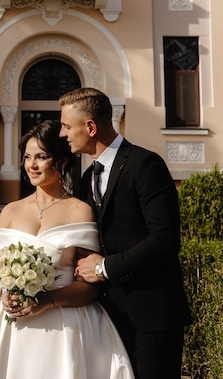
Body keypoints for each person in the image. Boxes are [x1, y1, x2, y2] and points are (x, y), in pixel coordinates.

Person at [0, 119, 135, 379]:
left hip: (68, 328)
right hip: (14, 329)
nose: (32, 165)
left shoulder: (79, 211)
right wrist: (4, 293)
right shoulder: (10, 211)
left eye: (41, 157)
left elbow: (92, 283)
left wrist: (46, 301)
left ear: (62, 161)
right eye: (28, 157)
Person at [59, 87, 192, 379]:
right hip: (107, 315)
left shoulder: (145, 165)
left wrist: (104, 267)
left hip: (152, 315)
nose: (62, 133)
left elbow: (164, 239)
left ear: (90, 127)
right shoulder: (85, 179)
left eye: (67, 126)